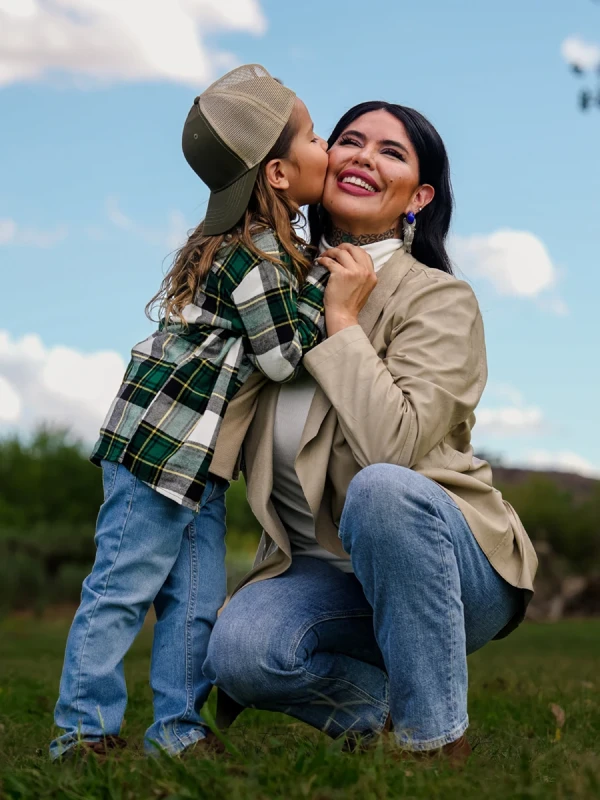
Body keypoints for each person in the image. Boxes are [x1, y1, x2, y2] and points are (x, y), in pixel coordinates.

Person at [204, 101, 538, 765]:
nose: (361, 155)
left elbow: (397, 451)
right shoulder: (273, 293)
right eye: (349, 141)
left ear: (417, 198)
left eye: (391, 151)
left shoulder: (438, 298)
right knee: (242, 652)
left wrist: (343, 321)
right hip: (330, 579)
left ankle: (435, 742)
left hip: (454, 569)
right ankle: (384, 710)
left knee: (384, 489)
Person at [50, 64, 330, 760]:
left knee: (196, 602)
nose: (327, 149)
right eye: (317, 137)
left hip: (200, 468)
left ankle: (175, 732)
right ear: (277, 175)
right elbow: (283, 359)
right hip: (156, 452)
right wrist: (330, 297)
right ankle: (79, 730)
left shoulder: (269, 255)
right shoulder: (253, 261)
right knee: (121, 589)